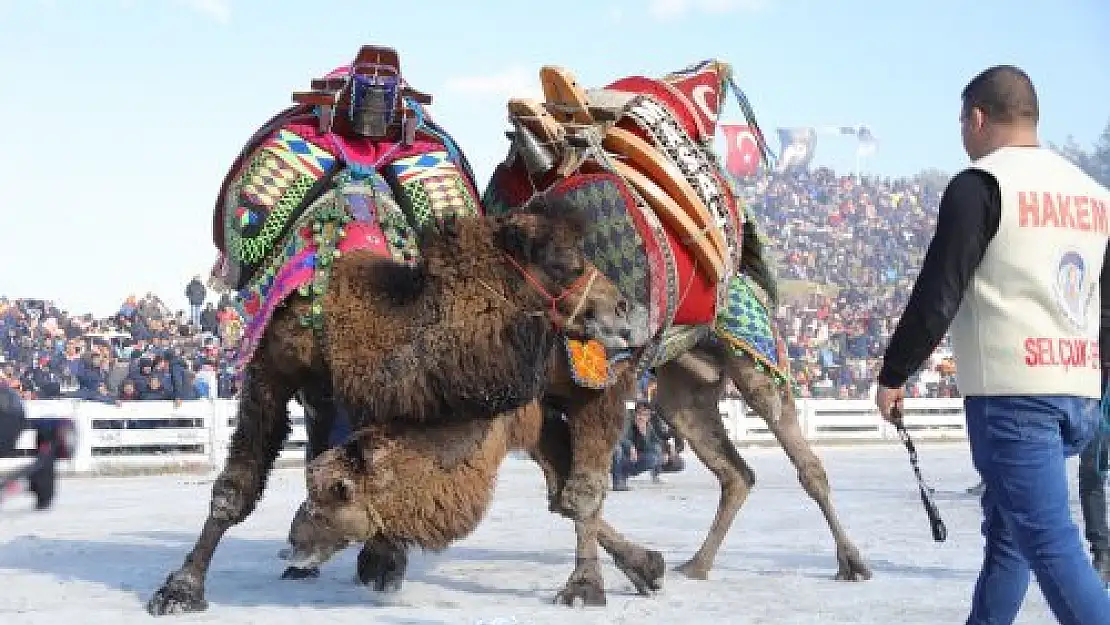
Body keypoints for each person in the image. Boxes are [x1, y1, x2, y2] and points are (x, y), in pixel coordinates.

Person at [873, 65, 1110, 624]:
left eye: (962, 120)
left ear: (977, 118)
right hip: (1077, 390)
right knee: (1009, 539)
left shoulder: (981, 184)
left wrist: (894, 374)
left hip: (1014, 395)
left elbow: (939, 292)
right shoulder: (1095, 196)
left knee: (1053, 548)